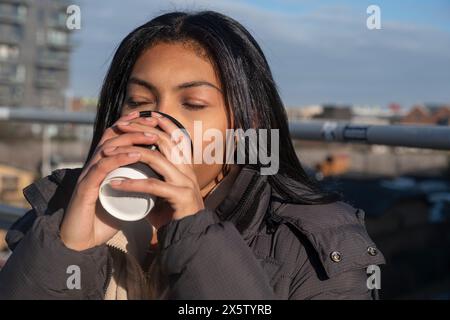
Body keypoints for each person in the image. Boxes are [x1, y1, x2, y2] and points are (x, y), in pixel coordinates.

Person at [0, 11, 384, 300]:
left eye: (193, 103)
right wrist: (68, 246)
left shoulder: (316, 239)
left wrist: (194, 233)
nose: (158, 123)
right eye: (139, 101)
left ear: (245, 123)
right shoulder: (64, 208)